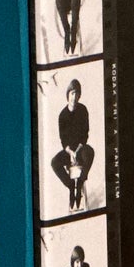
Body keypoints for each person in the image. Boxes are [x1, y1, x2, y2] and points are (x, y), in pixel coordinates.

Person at [51, 79, 95, 212]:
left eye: (77, 94)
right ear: (68, 94)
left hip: (80, 149)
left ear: (79, 95)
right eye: (72, 93)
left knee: (90, 152)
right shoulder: (62, 115)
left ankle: (80, 182)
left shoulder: (83, 110)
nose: (74, 97)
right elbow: (63, 140)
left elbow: (85, 134)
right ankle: (71, 185)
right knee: (54, 162)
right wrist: (70, 152)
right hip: (69, 151)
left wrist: (78, 151)